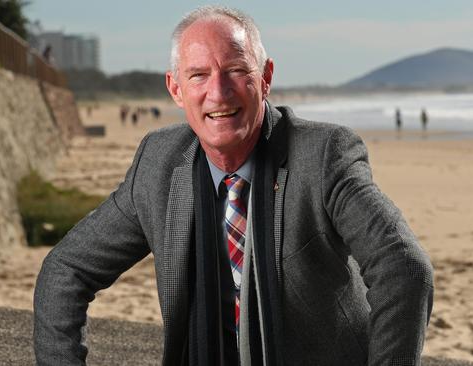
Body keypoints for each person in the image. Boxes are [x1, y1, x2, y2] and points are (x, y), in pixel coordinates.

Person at [33, 6, 433, 366]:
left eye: (237, 71)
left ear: (266, 79)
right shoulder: (158, 163)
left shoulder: (324, 155)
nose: (218, 92)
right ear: (175, 89)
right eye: (199, 75)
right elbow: (66, 269)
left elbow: (402, 267)